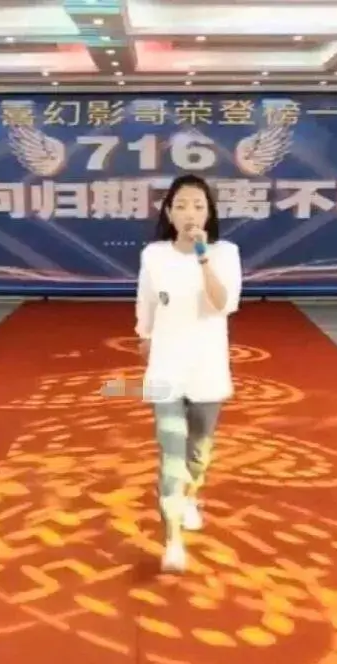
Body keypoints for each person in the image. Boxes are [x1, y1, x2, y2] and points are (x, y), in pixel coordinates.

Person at [135, 174, 242, 572]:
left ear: (210, 212)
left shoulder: (226, 253)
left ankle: (192, 496)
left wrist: (202, 257)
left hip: (207, 367)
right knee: (171, 454)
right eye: (180, 205)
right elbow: (146, 300)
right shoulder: (154, 254)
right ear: (168, 213)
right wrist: (144, 334)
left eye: (198, 205)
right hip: (166, 367)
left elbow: (222, 304)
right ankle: (173, 541)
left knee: (198, 455)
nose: (189, 213)